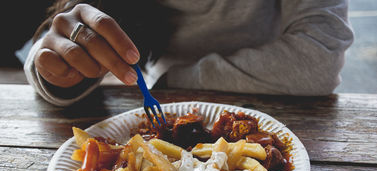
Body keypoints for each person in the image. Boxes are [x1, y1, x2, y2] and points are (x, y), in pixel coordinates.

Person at [24, 0, 354, 106]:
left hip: (281, 107)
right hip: (149, 109)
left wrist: (171, 79)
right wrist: (58, 72)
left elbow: (318, 57)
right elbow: (56, 48)